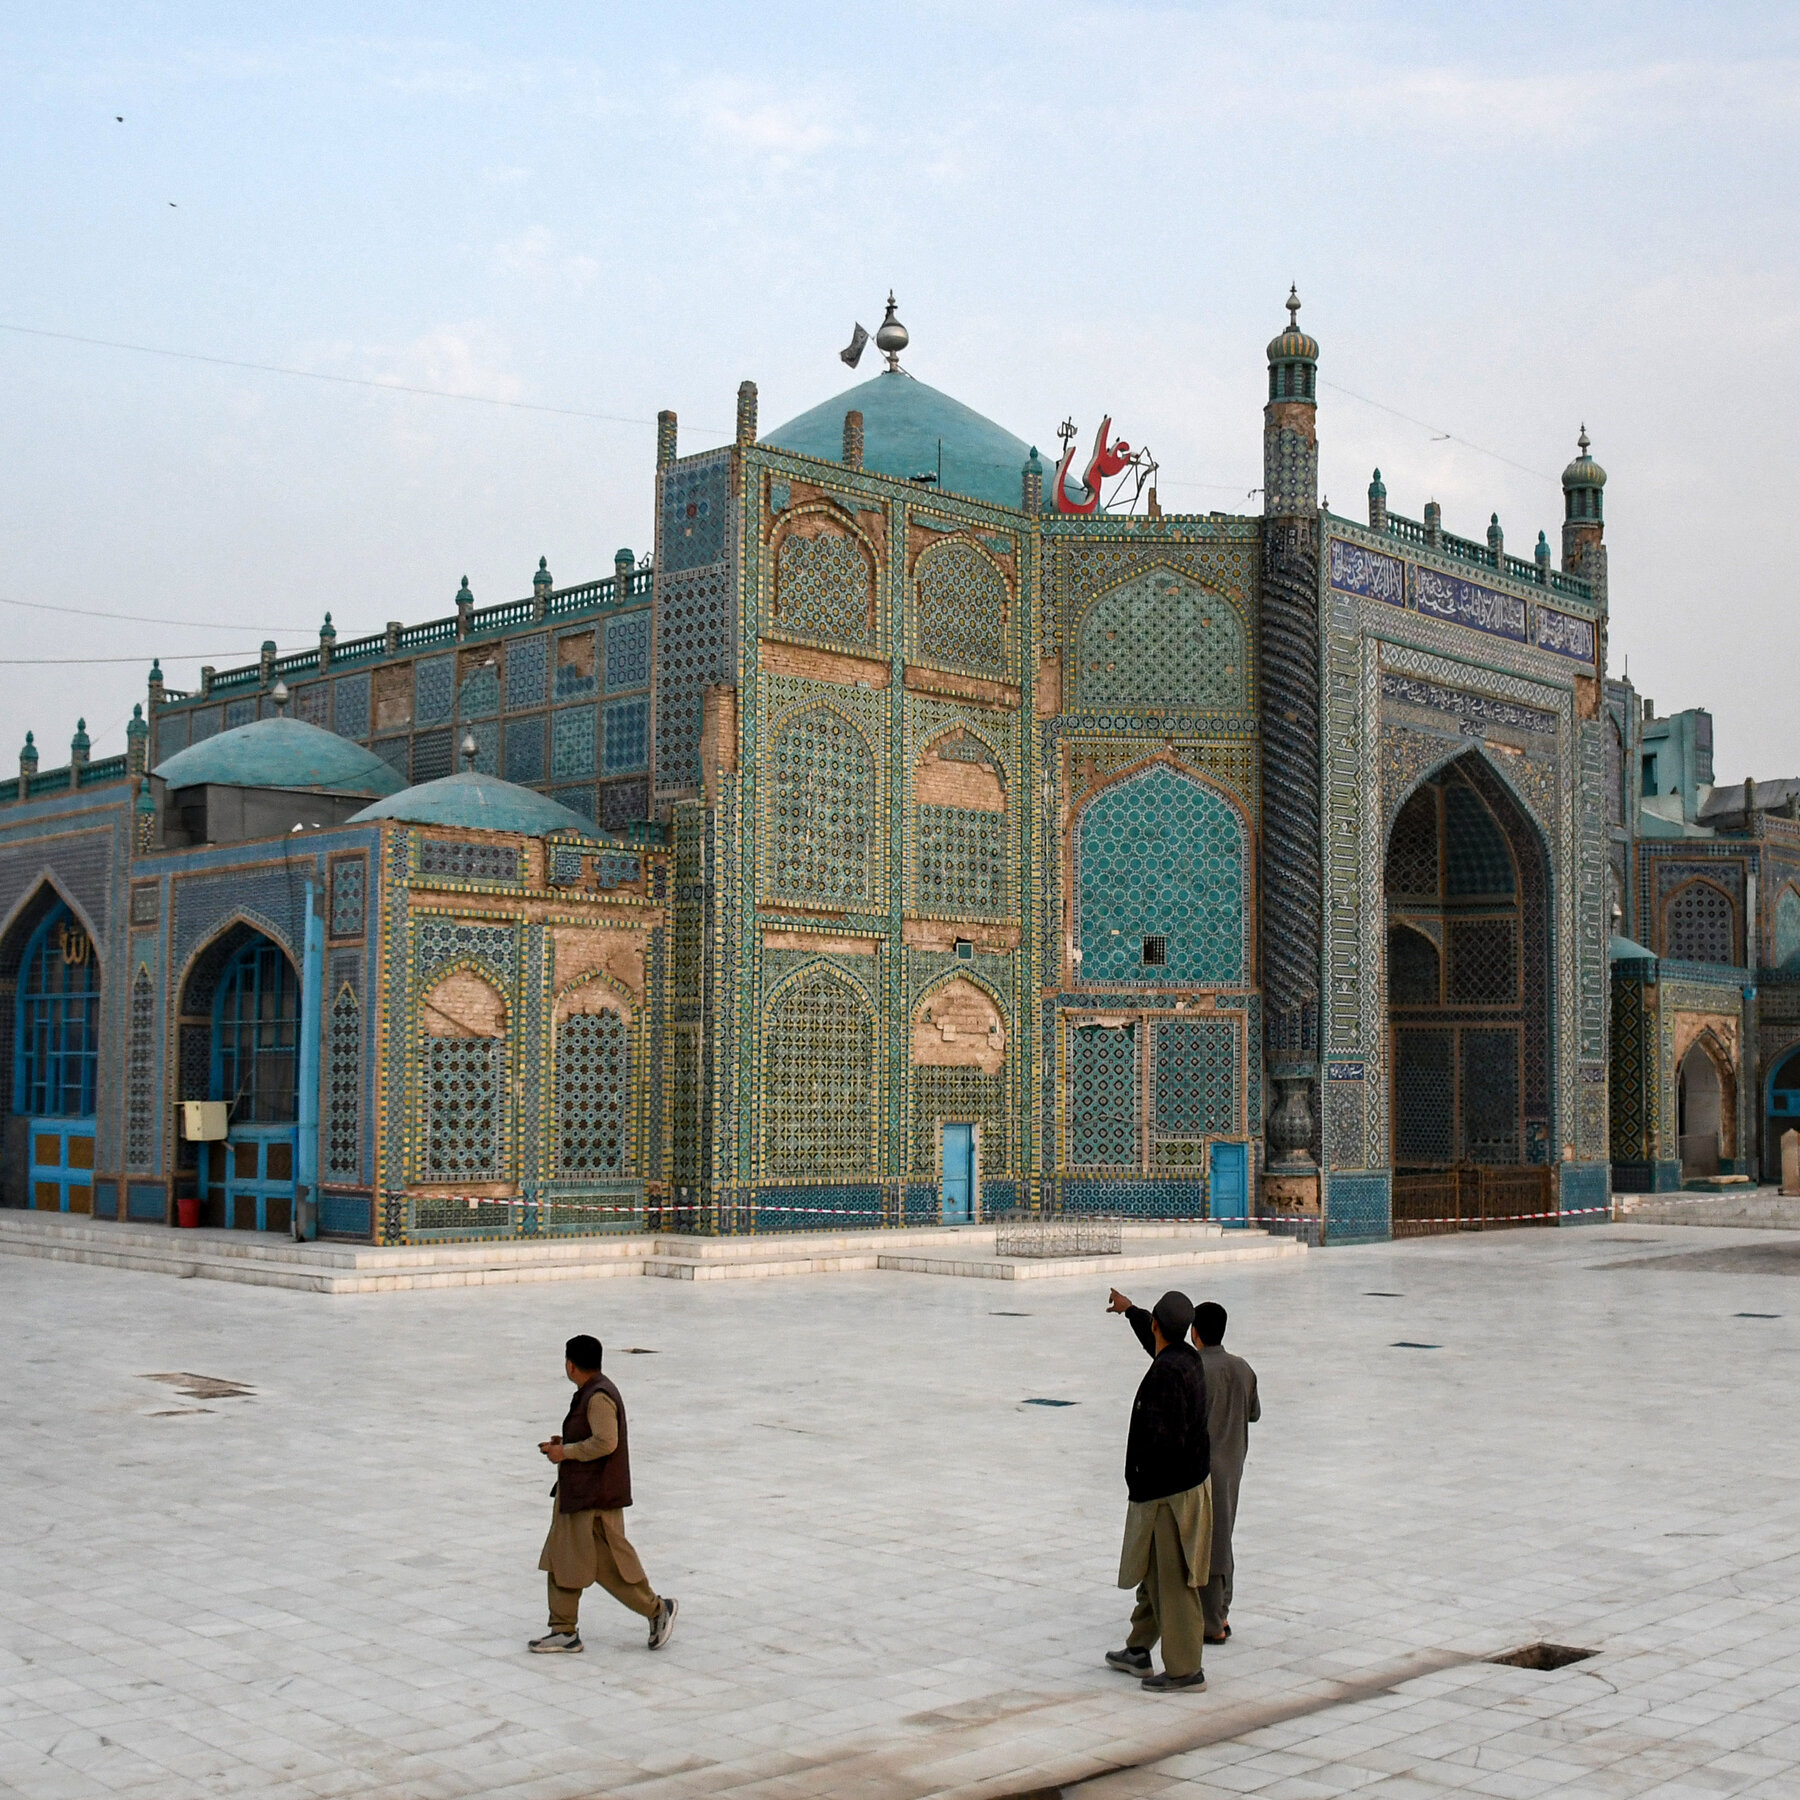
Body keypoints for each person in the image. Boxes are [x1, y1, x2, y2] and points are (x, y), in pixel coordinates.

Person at [530, 1334, 677, 1655]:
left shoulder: (597, 1397)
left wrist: (565, 1453)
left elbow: (605, 1442)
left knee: (608, 1566)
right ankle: (563, 1630)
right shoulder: (593, 1391)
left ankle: (656, 1609)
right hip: (580, 1496)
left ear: (570, 1365)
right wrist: (562, 1444)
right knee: (563, 1559)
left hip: (592, 1501)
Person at [1103, 1289, 1212, 1691]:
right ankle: (1138, 1648)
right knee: (1154, 1571)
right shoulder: (1185, 1358)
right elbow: (1157, 1343)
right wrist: (1131, 1310)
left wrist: (1141, 1485)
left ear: (1158, 1327)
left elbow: (1163, 1440)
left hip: (1169, 1494)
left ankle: (1186, 1669)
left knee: (1174, 1577)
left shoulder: (1167, 1374)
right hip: (1178, 1486)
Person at [1190, 1301, 1260, 1644]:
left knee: (1209, 1543)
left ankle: (1212, 1620)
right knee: (1224, 1535)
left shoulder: (1194, 1369)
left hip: (1203, 1469)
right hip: (1233, 1465)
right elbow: (1254, 1412)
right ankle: (1222, 1611)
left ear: (1195, 1332)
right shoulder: (1242, 1368)